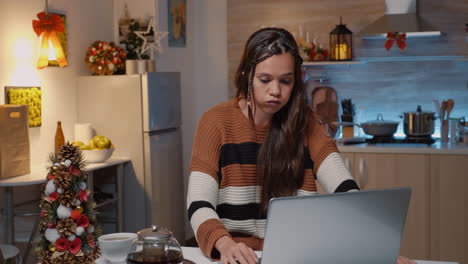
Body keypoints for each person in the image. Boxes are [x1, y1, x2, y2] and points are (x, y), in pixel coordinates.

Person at [187, 27, 415, 264]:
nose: (275, 91)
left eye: (285, 81)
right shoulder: (215, 122)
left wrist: (375, 248)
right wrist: (224, 244)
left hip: (299, 256)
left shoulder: (307, 123)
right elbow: (199, 203)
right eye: (265, 80)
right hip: (236, 255)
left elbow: (346, 191)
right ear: (247, 75)